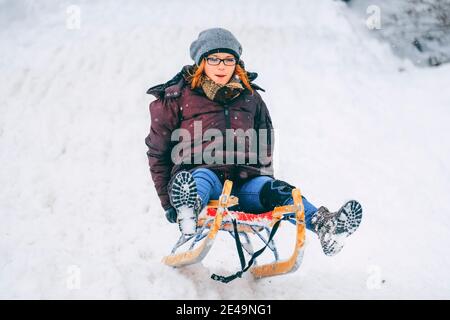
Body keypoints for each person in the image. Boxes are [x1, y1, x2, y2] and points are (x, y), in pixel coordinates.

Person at [145, 28, 362, 256]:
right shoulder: (177, 98)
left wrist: (265, 179)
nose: (221, 66)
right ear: (201, 62)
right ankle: (188, 208)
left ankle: (325, 225)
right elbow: (158, 153)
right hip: (202, 177)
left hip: (244, 183)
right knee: (200, 178)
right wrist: (167, 203)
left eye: (229, 60)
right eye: (214, 59)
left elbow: (264, 143)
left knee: (279, 191)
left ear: (237, 63)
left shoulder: (251, 98)